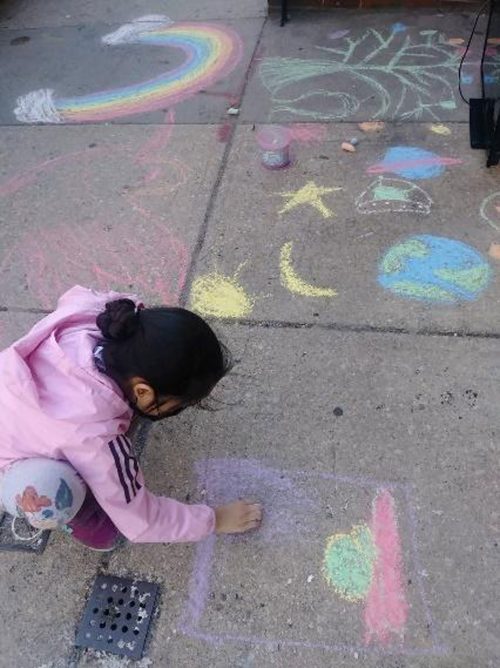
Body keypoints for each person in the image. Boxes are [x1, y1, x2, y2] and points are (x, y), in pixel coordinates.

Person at [0, 286, 262, 551]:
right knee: (55, 493)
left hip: (13, 403)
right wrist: (214, 520)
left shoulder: (98, 316)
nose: (181, 409)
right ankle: (84, 520)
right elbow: (142, 522)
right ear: (143, 391)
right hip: (11, 464)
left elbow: (76, 294)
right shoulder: (97, 439)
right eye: (181, 404)